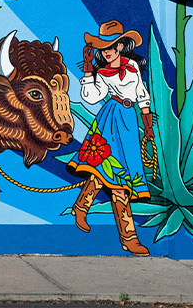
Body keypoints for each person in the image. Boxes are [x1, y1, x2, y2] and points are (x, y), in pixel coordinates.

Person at [66, 20, 153, 256]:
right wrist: (87, 69)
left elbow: (141, 93)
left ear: (121, 46)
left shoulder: (133, 67)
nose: (107, 52)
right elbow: (92, 97)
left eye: (111, 47)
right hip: (111, 121)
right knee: (117, 180)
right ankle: (129, 237)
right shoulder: (102, 74)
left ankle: (81, 206)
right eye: (103, 49)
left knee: (107, 173)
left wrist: (147, 121)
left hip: (128, 121)